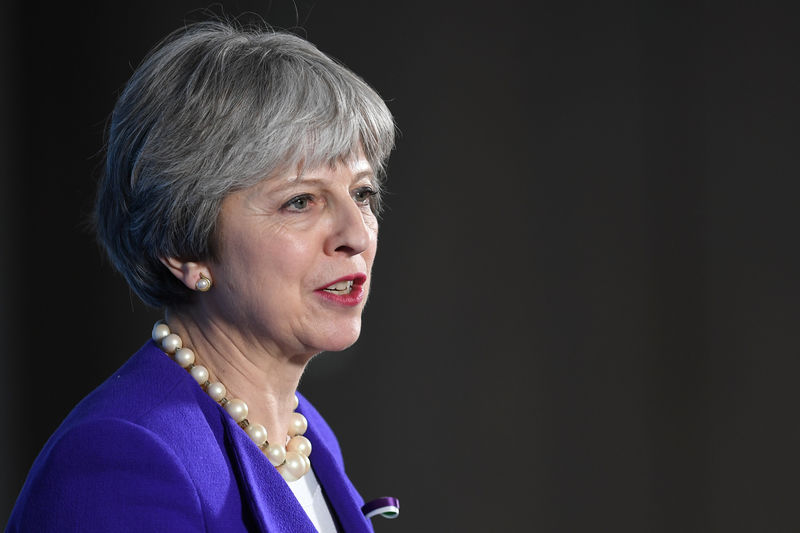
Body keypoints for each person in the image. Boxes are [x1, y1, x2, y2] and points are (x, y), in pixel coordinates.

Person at [6, 20, 398, 532]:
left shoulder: (307, 435)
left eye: (363, 193)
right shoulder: (122, 461)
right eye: (300, 201)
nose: (356, 234)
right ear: (183, 246)